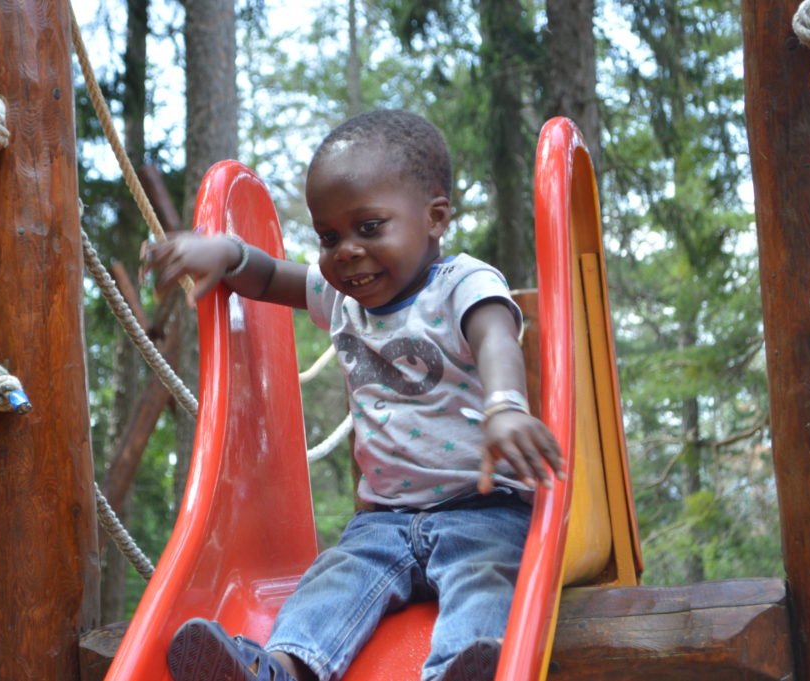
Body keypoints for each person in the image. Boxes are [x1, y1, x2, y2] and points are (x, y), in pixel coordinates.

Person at [143, 109, 563, 681]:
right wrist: (225, 255)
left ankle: (464, 667)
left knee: (486, 579)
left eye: (370, 228)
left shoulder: (463, 283)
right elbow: (269, 278)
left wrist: (505, 407)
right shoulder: (344, 299)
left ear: (434, 218)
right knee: (334, 580)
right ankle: (281, 669)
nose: (346, 251)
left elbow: (495, 338)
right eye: (329, 236)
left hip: (481, 508)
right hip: (383, 522)